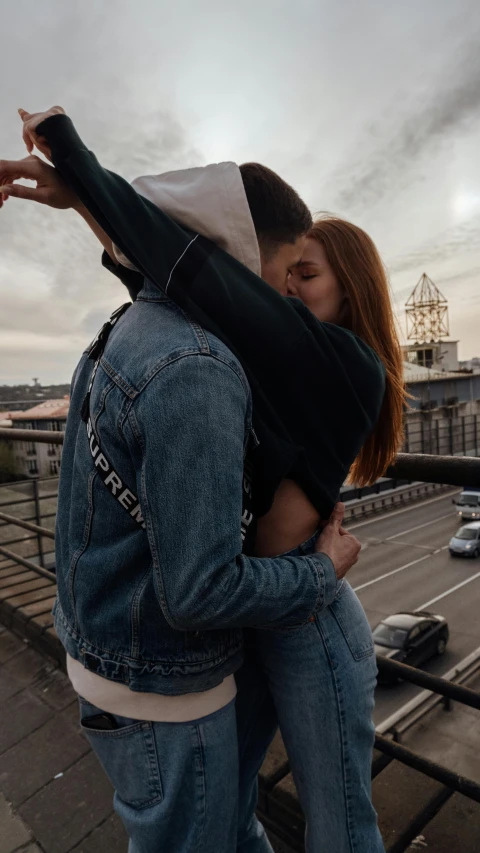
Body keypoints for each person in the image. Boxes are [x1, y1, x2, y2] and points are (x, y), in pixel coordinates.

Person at [0, 113, 364, 853]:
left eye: (309, 276)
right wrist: (325, 572)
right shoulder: (198, 365)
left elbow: (186, 263)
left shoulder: (140, 330)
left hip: (128, 656)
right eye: (290, 267)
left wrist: (88, 192)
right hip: (166, 676)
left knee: (254, 828)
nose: (286, 293)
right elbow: (201, 591)